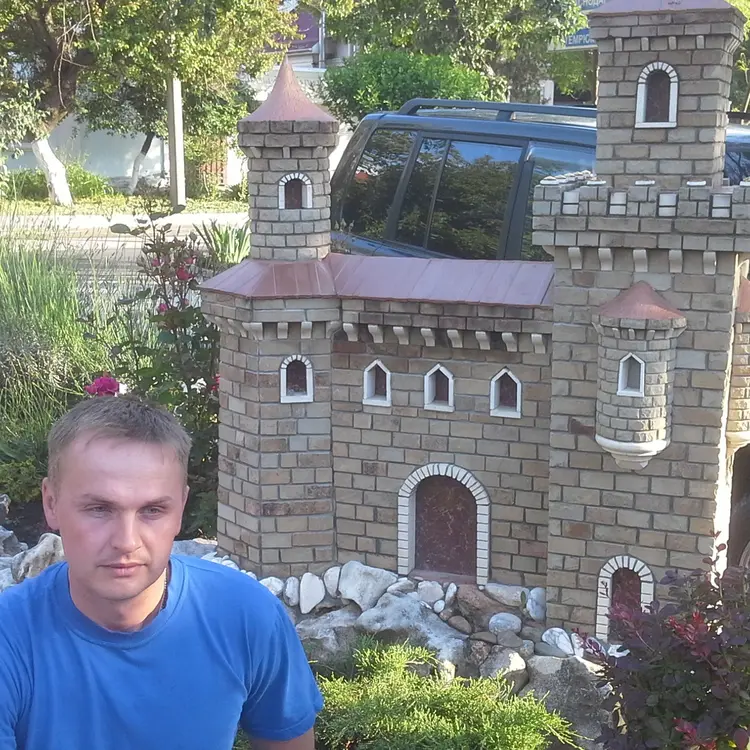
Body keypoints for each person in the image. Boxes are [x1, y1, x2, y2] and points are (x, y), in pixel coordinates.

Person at [0, 395, 322, 750]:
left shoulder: (246, 615)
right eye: (99, 509)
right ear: (51, 503)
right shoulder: (10, 638)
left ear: (180, 508)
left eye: (152, 510)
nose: (126, 541)